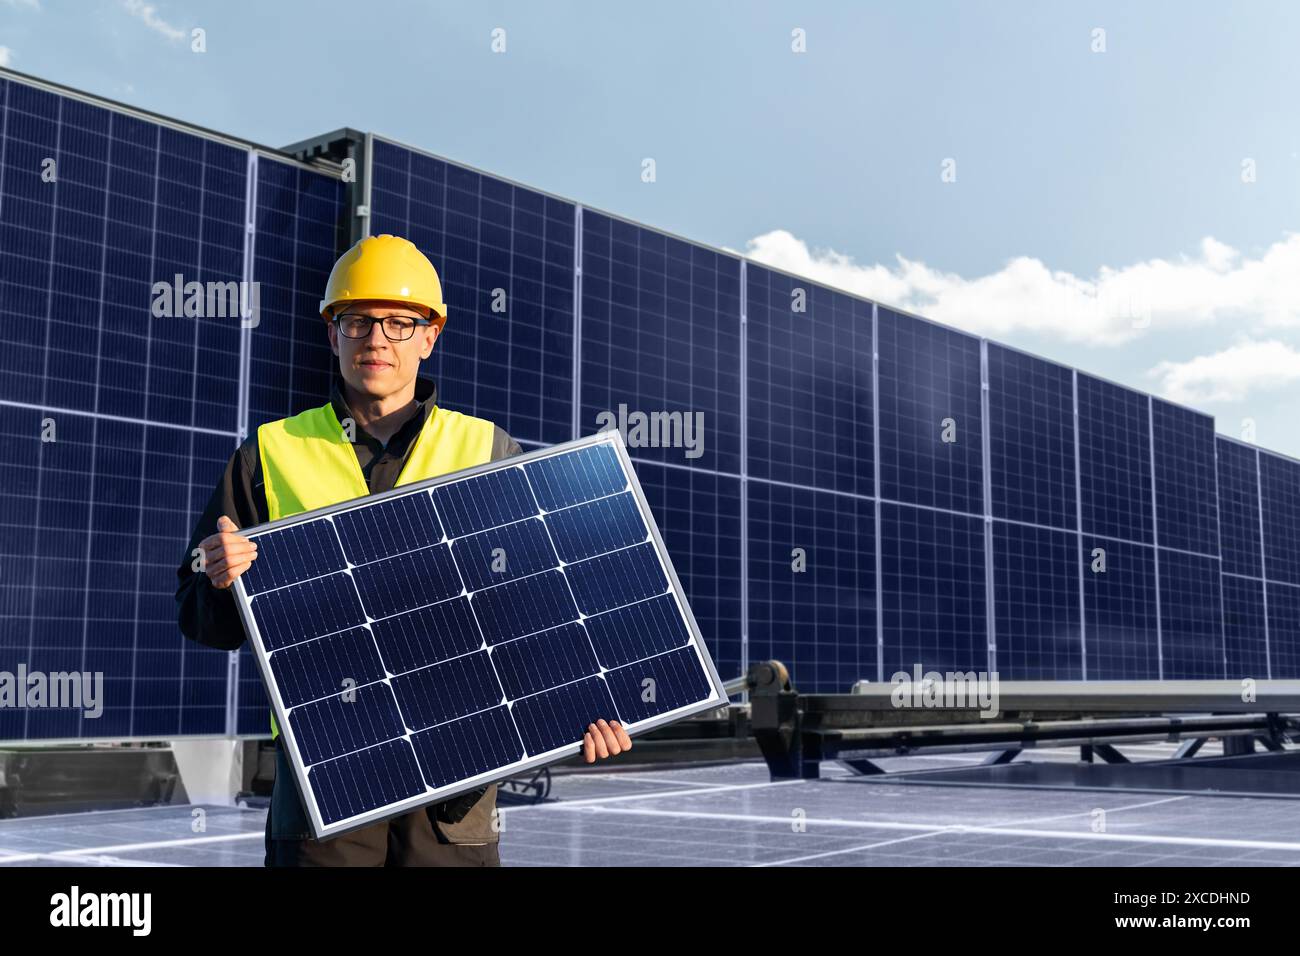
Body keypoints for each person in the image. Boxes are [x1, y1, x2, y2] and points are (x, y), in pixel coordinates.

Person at [176, 234, 632, 866]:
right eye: (358, 320)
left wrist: (582, 705)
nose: (377, 338)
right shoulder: (268, 454)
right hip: (321, 783)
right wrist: (218, 577)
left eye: (400, 322)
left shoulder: (488, 450)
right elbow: (200, 616)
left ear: (429, 336)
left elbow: (546, 608)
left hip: (459, 783)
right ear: (332, 333)